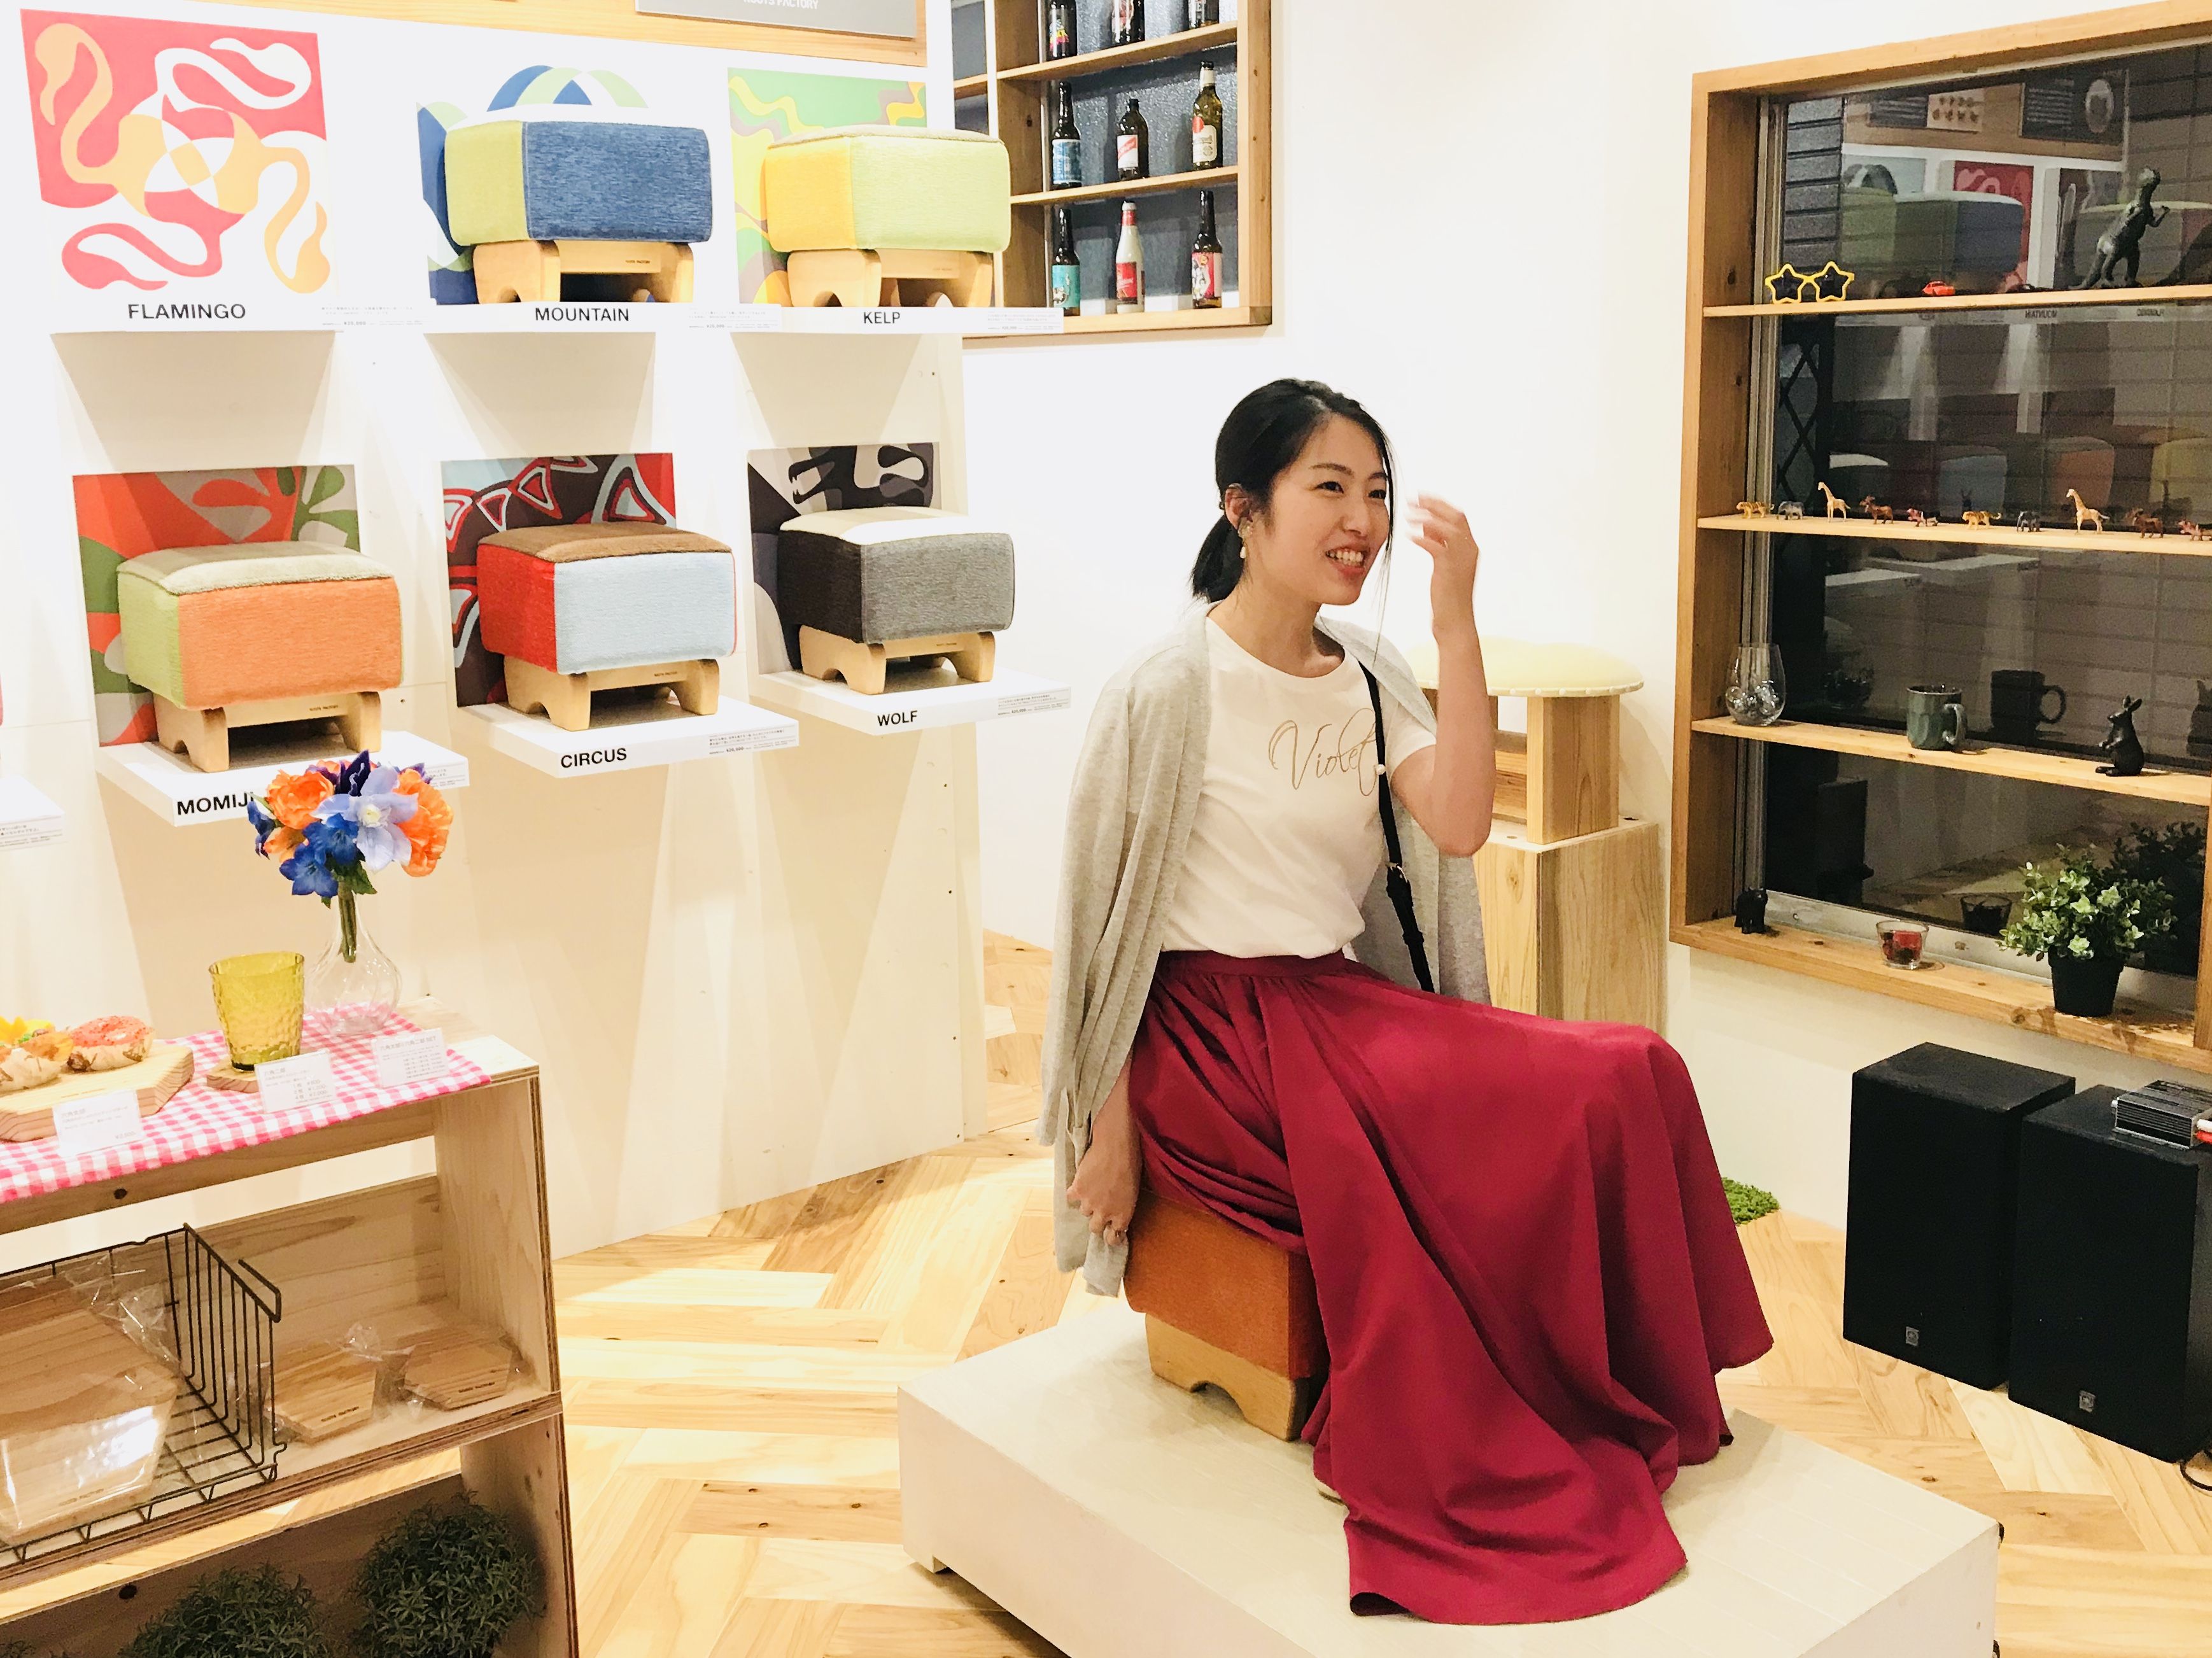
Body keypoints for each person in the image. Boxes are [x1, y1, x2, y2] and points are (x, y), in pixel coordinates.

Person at [1038, 378, 1773, 1625]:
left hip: (1336, 1006)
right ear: (1242, 509)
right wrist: (1103, 1131)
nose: (1361, 520)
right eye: (1327, 487)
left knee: (1631, 1064)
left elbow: (1463, 820)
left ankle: (1625, 1380)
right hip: (1212, 1040)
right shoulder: (1166, 687)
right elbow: (1097, 928)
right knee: (1558, 1092)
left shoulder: (1370, 673)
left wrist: (1455, 619)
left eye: (1376, 491)